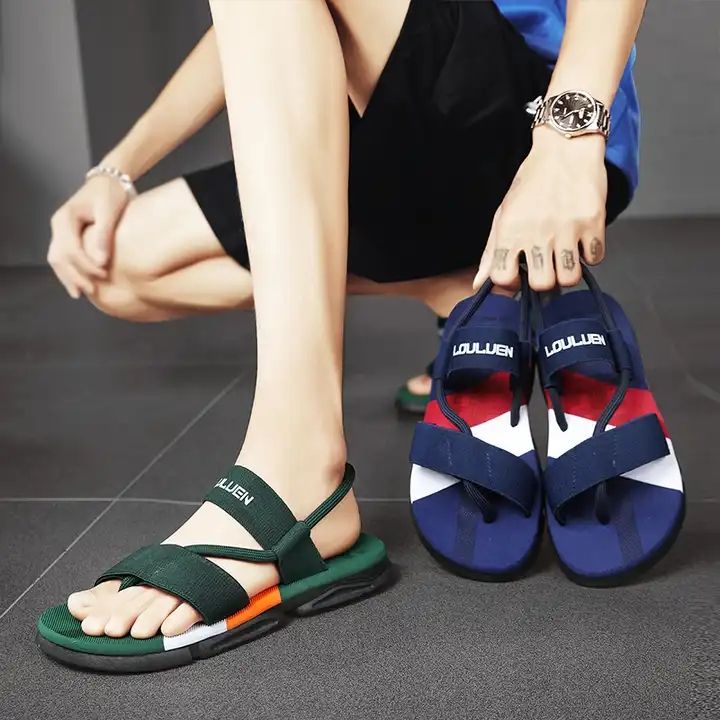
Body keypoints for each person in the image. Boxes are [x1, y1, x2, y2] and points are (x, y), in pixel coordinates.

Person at [46, 0, 642, 640]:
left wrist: (566, 146)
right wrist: (117, 170)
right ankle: (460, 290)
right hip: (392, 132)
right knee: (112, 265)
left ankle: (297, 465)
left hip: (539, 115)